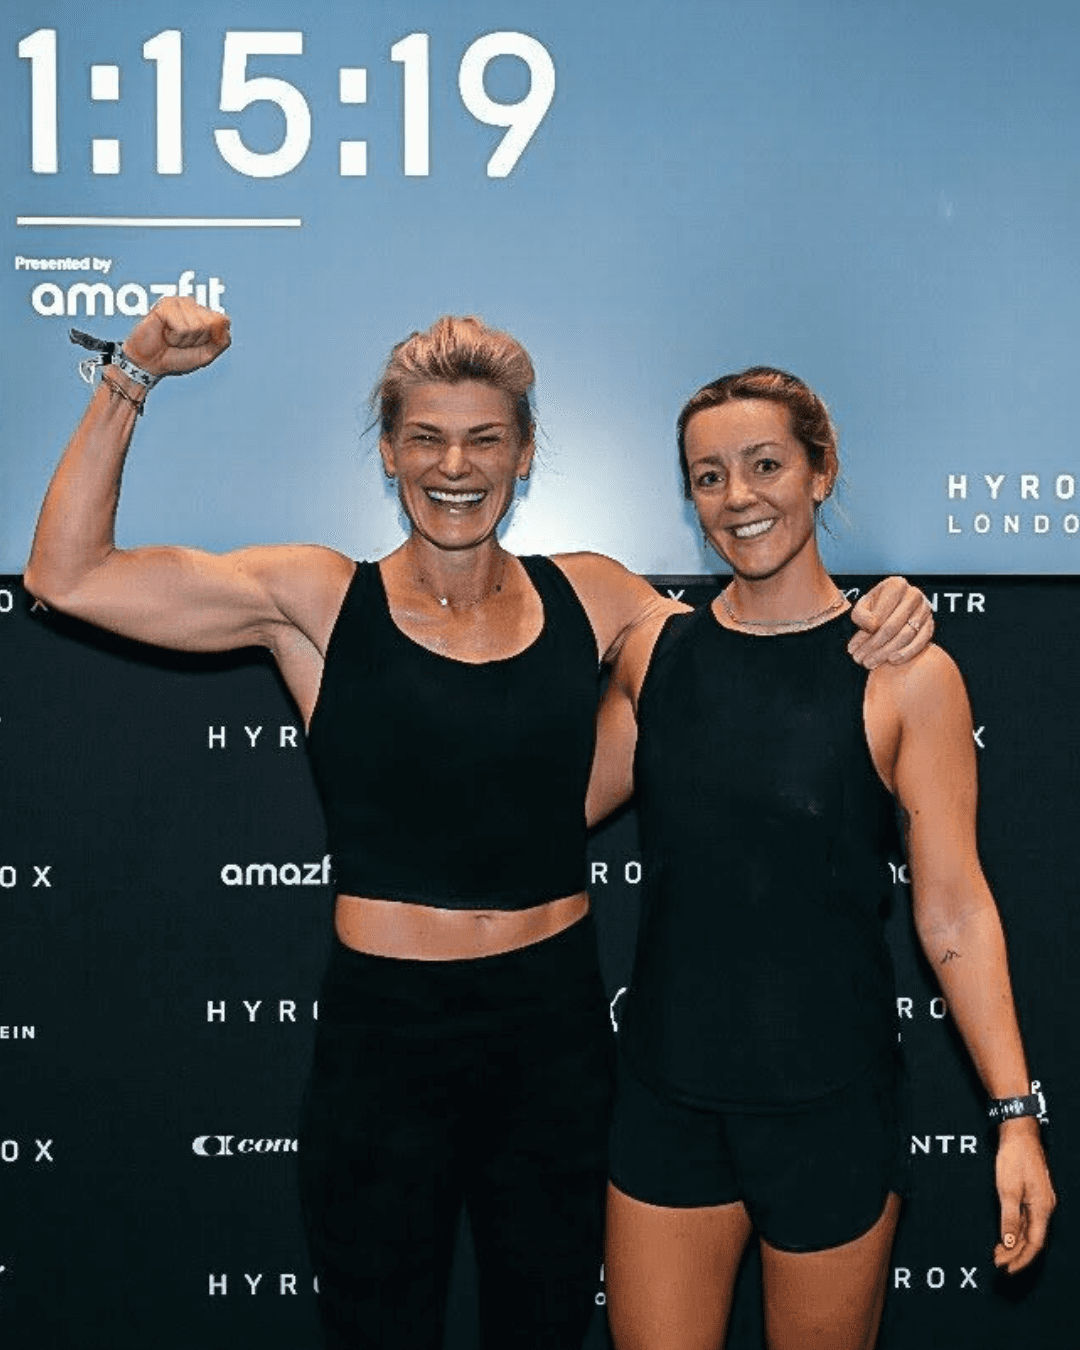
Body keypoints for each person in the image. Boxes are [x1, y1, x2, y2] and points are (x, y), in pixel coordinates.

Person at [24, 304, 931, 1350]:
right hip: (385, 1040)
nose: (454, 466)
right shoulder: (317, 598)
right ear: (389, 452)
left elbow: (759, 648)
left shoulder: (595, 595)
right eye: (426, 438)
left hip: (553, 1035)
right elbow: (66, 574)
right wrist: (132, 375)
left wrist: (883, 612)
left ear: (524, 453)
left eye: (485, 439)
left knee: (543, 1327)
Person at [587, 367, 1057, 1350]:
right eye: (709, 476)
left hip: (833, 1114)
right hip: (665, 1104)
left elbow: (955, 910)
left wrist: (1016, 1116)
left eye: (765, 465)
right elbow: (537, 815)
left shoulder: (907, 674)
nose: (739, 497)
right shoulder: (654, 655)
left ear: (820, 471)